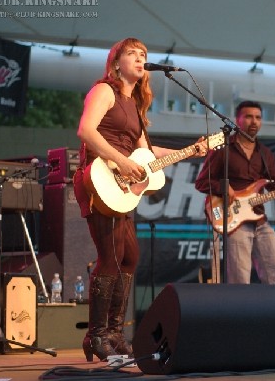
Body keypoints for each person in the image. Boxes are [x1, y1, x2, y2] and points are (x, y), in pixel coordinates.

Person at [73, 37, 208, 362]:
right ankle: (96, 335)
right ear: (115, 62)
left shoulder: (134, 105)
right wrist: (120, 161)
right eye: (132, 53)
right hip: (98, 176)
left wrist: (190, 151)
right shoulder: (104, 90)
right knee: (111, 257)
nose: (139, 58)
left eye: (144, 54)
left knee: (130, 256)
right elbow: (86, 131)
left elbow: (147, 152)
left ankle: (116, 332)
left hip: (120, 186)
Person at [194, 100, 275, 284]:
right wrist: (224, 187)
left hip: (260, 219)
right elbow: (201, 182)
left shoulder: (265, 153)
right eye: (248, 117)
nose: (254, 121)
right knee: (240, 280)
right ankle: (240, 312)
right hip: (234, 220)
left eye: (258, 118)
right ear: (237, 120)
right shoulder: (223, 149)